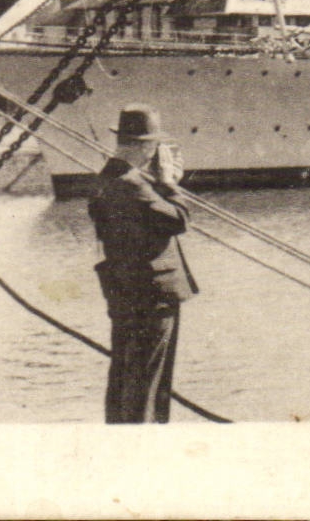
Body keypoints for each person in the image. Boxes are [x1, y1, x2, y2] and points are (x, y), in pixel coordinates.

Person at [88, 104, 197, 423]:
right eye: (155, 146)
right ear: (146, 146)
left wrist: (156, 182)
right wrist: (169, 182)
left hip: (126, 295)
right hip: (152, 298)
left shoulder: (107, 179)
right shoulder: (133, 185)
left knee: (125, 377)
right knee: (149, 386)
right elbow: (179, 219)